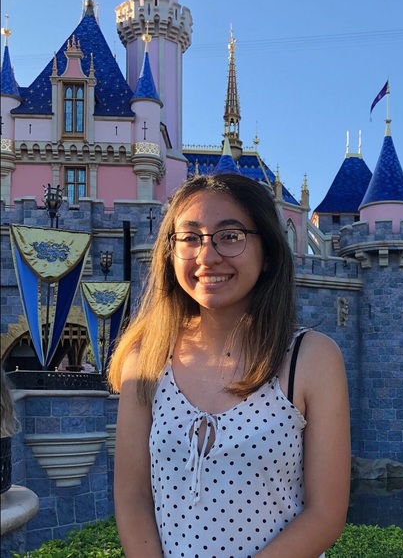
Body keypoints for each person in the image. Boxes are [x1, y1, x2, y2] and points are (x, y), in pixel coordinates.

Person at [108, 173, 351, 558]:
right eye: (190, 238)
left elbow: (325, 514)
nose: (207, 256)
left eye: (231, 236)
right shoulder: (147, 358)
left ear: (267, 251)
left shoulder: (311, 359)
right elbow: (132, 497)